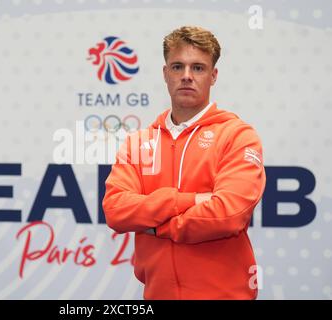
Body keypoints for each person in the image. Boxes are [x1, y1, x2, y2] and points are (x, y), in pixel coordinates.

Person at [102, 26, 266, 300]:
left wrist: (156, 226)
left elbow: (228, 214)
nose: (187, 76)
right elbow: (116, 209)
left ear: (213, 76)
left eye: (198, 68)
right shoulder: (139, 142)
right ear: (166, 74)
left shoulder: (237, 135)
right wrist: (187, 200)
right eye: (178, 66)